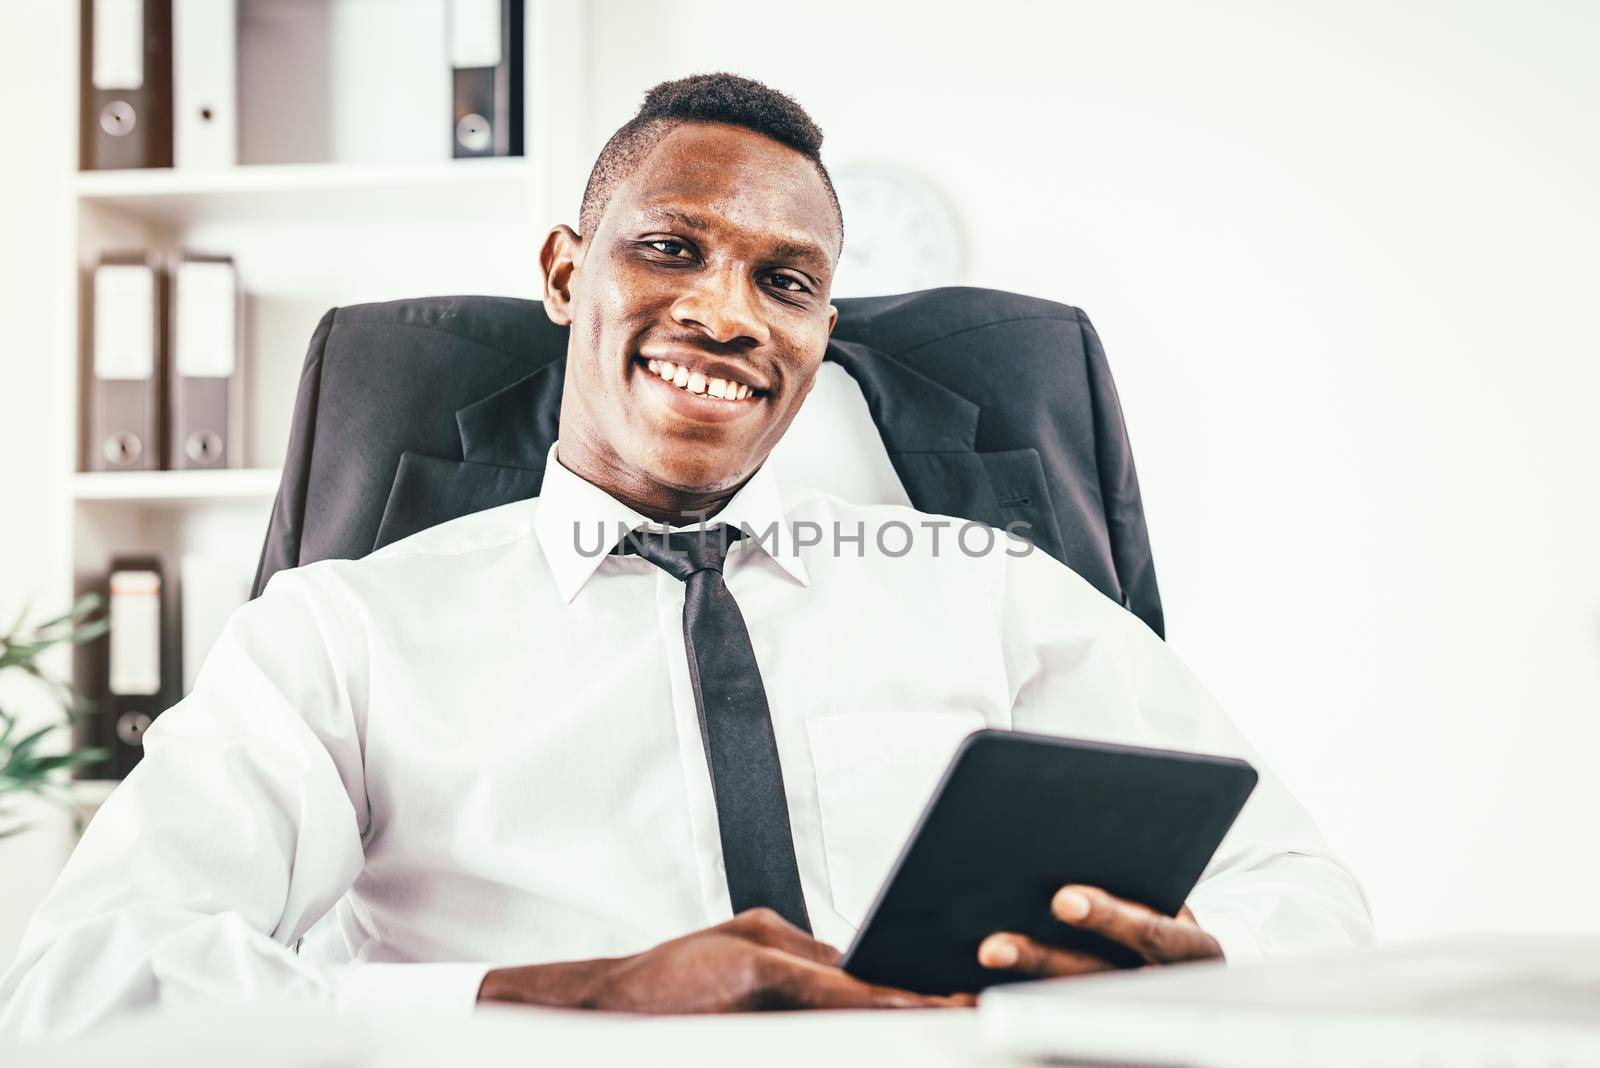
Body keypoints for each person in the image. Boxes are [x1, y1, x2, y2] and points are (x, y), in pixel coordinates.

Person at [0, 73, 1372, 1038]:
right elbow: (85, 983)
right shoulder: (340, 635)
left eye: (787, 281)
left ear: (822, 330)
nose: (727, 313)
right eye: (669, 248)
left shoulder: (989, 591)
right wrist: (572, 998)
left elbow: (1301, 895)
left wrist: (1191, 965)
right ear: (563, 273)